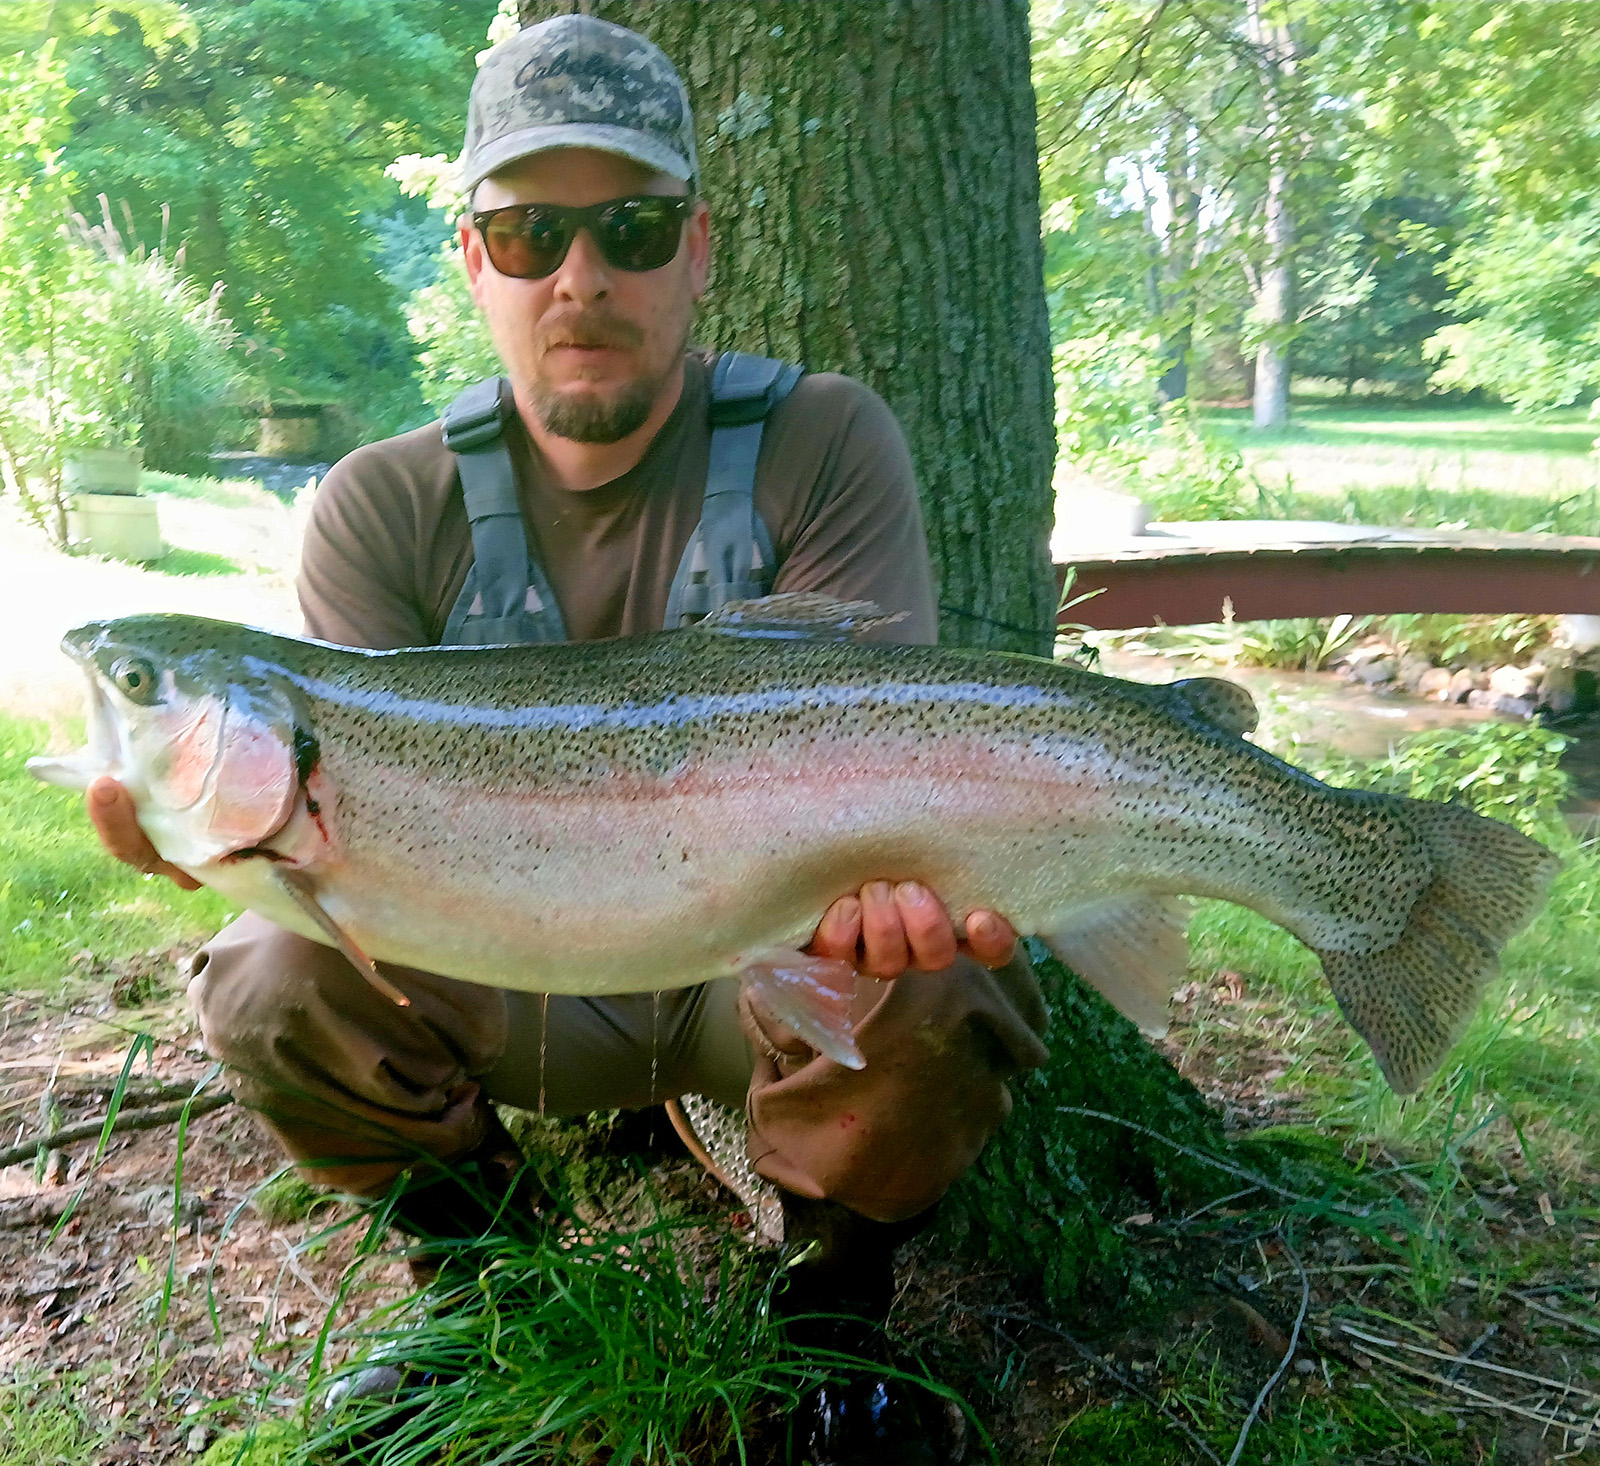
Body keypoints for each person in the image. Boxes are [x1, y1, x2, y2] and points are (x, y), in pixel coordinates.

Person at [84, 16, 1049, 1464]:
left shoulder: (828, 441)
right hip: (511, 985)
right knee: (269, 970)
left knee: (940, 976)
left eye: (632, 226)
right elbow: (342, 890)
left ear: (701, 247)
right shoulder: (375, 506)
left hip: (769, 980)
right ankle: (484, 1285)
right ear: (473, 261)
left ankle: (834, 1311)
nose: (581, 276)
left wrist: (894, 901)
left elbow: (886, 753)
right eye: (530, 233)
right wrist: (232, 852)